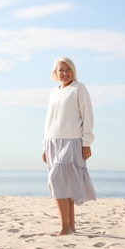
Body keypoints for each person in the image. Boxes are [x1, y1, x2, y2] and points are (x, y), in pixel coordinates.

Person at [42, 56, 96, 236]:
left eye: (68, 69)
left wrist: (86, 142)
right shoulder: (53, 92)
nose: (64, 73)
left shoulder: (79, 88)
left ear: (73, 70)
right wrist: (45, 145)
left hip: (73, 140)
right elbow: (49, 120)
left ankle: (65, 227)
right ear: (55, 73)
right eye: (61, 70)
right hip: (53, 141)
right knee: (64, 183)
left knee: (59, 180)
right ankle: (70, 227)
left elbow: (87, 115)